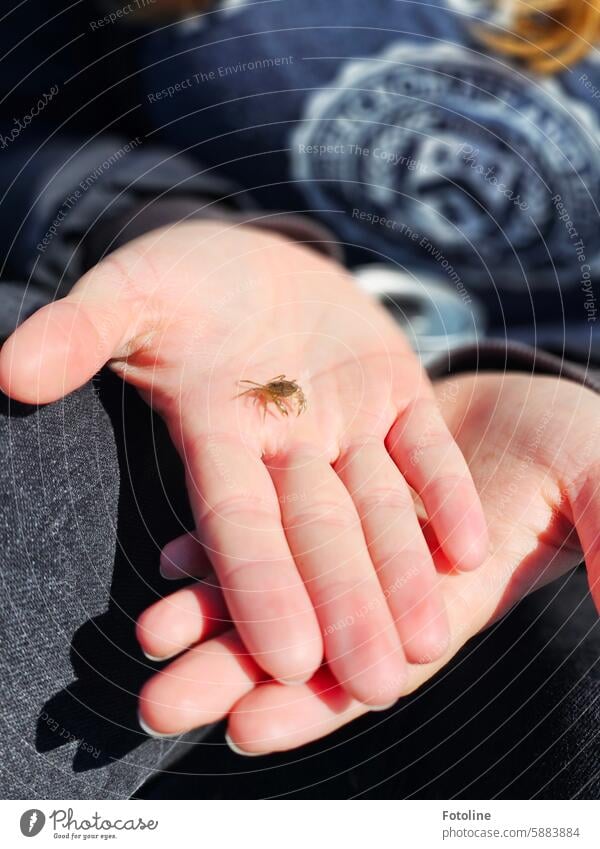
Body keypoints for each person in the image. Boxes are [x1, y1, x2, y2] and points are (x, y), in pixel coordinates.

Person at [0, 0, 598, 798]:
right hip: (187, 345)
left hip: (505, 487)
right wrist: (138, 213)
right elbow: (26, 125)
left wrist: (567, 390)